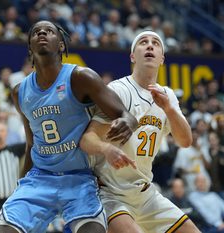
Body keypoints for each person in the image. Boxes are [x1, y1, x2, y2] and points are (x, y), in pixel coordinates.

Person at [0, 20, 137, 233]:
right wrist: (22, 184)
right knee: (4, 229)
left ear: (61, 45)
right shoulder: (19, 91)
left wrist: (126, 123)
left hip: (79, 177)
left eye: (49, 31)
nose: (42, 32)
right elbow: (31, 143)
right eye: (36, 32)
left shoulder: (81, 77)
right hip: (40, 178)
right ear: (30, 47)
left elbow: (127, 116)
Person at [80, 31, 200, 233]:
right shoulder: (119, 90)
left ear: (162, 58)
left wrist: (169, 109)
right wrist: (106, 149)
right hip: (110, 192)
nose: (150, 46)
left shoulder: (168, 95)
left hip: (145, 193)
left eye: (156, 43)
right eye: (143, 43)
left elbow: (185, 141)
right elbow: (87, 140)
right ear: (133, 56)